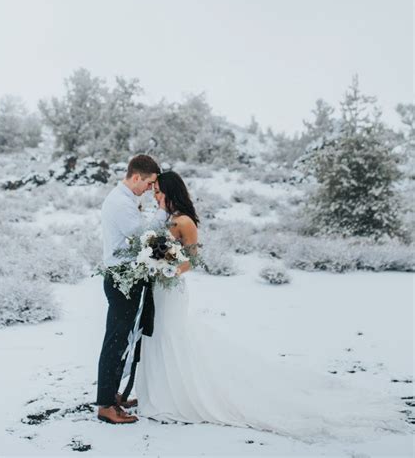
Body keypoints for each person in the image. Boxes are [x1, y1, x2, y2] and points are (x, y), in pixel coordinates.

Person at [134, 171, 406, 442]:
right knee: (158, 335)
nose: (155, 195)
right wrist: (152, 261)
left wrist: (168, 271)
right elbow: (158, 251)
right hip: (159, 289)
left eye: (159, 191)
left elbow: (190, 261)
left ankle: (179, 396)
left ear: (172, 191)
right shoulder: (165, 219)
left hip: (172, 289)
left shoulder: (184, 221)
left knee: (172, 335)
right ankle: (161, 393)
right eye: (154, 190)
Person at [96, 153, 162, 425]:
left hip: (125, 276)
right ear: (136, 177)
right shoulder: (121, 202)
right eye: (148, 184)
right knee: (115, 341)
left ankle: (113, 396)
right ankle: (105, 405)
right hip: (121, 279)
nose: (149, 189)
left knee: (121, 340)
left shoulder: (125, 198)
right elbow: (142, 237)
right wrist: (164, 212)